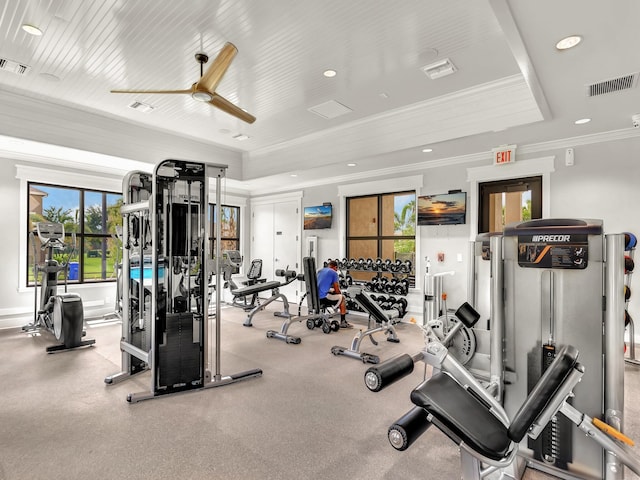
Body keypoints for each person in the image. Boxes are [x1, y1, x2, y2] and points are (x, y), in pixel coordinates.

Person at [317, 260, 352, 328]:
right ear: (335, 267)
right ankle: (343, 322)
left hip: (316, 297)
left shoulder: (320, 271)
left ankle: (334, 308)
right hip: (323, 298)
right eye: (337, 269)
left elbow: (321, 284)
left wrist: (331, 291)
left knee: (333, 293)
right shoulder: (334, 273)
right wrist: (339, 293)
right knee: (343, 298)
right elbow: (336, 288)